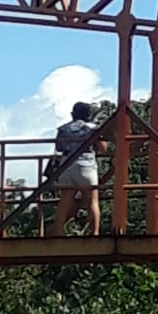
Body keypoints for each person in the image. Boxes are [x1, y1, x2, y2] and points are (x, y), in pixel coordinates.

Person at [48, 101, 107, 237]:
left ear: (72, 114)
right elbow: (103, 148)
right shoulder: (93, 128)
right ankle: (95, 232)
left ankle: (58, 232)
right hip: (86, 165)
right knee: (92, 199)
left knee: (65, 200)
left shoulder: (63, 129)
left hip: (66, 165)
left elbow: (59, 147)